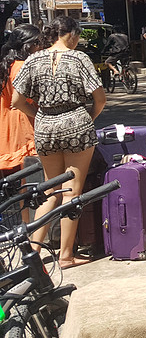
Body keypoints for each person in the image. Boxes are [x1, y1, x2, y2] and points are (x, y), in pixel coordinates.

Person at [11, 16, 106, 269]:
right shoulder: (79, 58)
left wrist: (40, 115)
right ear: (72, 34)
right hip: (76, 123)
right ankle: (65, 255)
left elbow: (17, 100)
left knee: (50, 191)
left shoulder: (33, 59)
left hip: (44, 127)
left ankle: (31, 253)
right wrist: (89, 117)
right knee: (72, 193)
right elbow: (100, 98)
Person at [0, 25, 43, 173]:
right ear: (28, 45)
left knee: (12, 175)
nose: (41, 46)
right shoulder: (23, 66)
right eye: (38, 42)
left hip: (6, 121)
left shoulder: (6, 64)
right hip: (24, 119)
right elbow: (25, 100)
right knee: (29, 175)